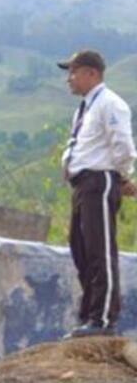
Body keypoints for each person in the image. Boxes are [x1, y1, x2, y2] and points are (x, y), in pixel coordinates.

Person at [57, 50, 137, 337]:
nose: (69, 79)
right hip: (82, 185)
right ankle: (89, 314)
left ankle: (102, 319)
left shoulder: (110, 104)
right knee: (81, 249)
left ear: (91, 73)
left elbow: (124, 147)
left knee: (99, 250)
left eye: (73, 72)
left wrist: (121, 177)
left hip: (99, 181)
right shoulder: (85, 108)